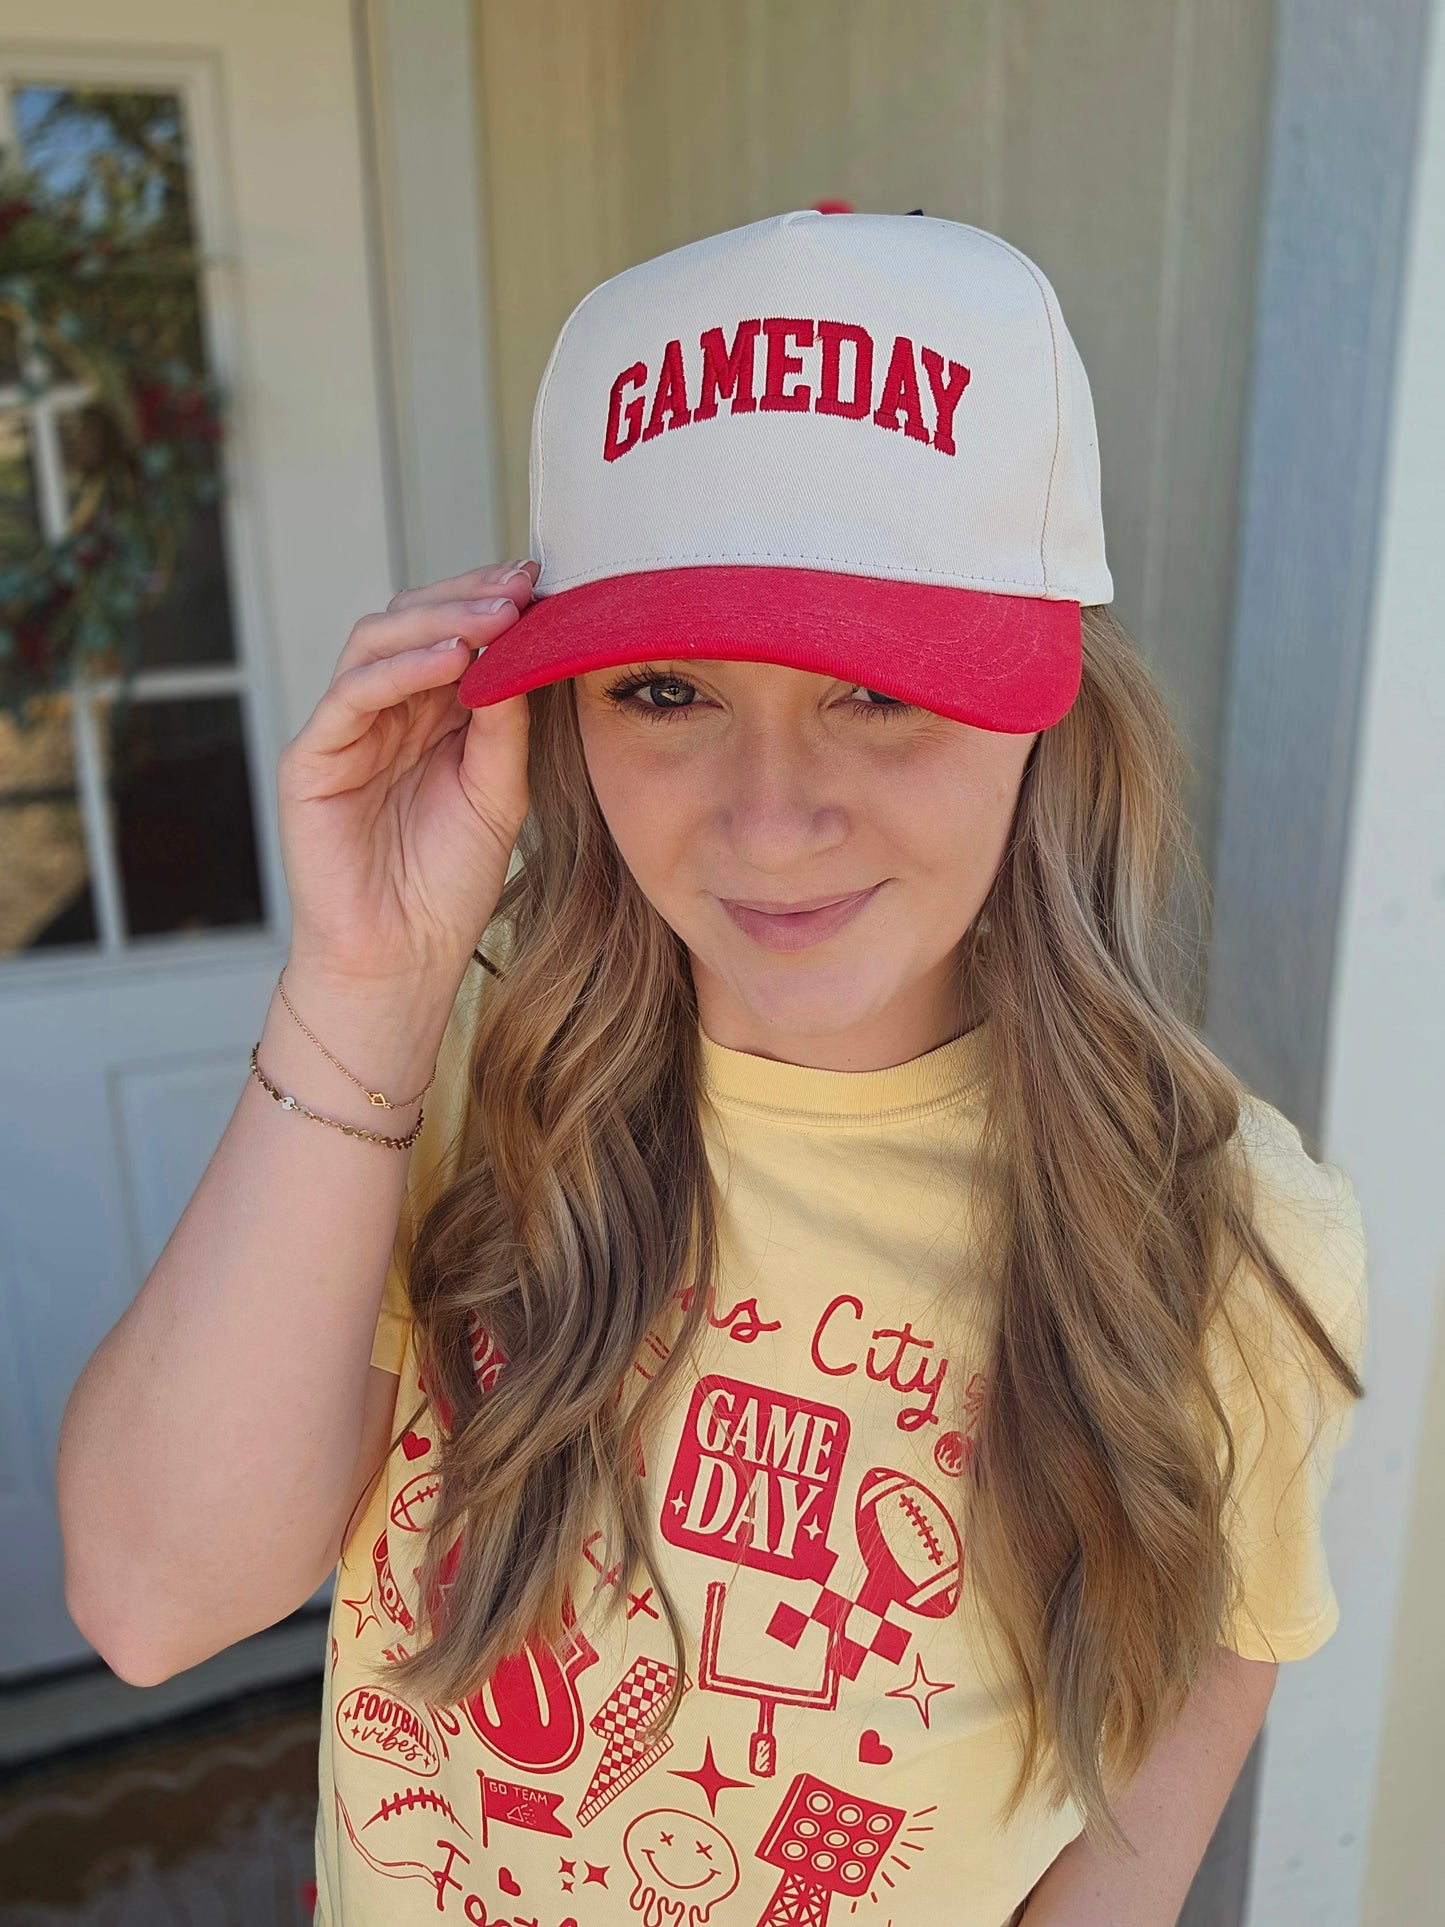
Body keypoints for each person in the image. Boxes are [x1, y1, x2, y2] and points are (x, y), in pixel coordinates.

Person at [56, 209, 1368, 1927]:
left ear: (1048, 702)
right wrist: (362, 988)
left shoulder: (1219, 1226)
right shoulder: (460, 1070)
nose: (765, 818)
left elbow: (1199, 1676)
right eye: (664, 689)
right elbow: (154, 1601)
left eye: (873, 690)